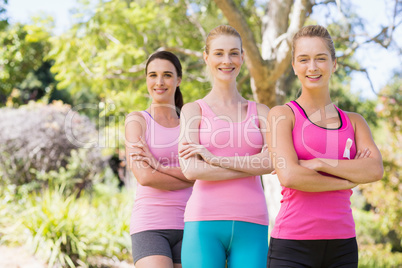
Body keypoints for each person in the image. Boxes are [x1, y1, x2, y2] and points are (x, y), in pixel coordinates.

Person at [266, 25, 384, 267]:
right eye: (304, 59)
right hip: (292, 244)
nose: (312, 67)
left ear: (334, 63)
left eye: (321, 58)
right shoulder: (281, 115)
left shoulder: (354, 121)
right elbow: (289, 175)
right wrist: (347, 178)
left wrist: (320, 163)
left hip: (343, 244)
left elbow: (374, 170)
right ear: (294, 66)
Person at [178, 25, 273, 268]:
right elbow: (191, 170)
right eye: (219, 53)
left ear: (242, 57)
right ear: (206, 57)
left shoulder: (262, 112)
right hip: (203, 224)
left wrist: (214, 158)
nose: (227, 60)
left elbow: (273, 162)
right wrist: (251, 166)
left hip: (253, 222)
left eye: (233, 53)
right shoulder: (193, 110)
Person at [125, 51, 193, 268]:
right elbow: (144, 177)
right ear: (146, 79)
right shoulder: (137, 120)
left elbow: (203, 173)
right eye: (153, 75)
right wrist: (190, 176)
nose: (159, 82)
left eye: (167, 75)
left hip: (192, 223)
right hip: (150, 225)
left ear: (178, 80)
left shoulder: (191, 123)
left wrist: (157, 166)